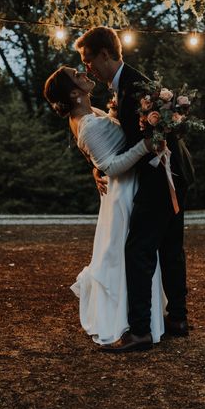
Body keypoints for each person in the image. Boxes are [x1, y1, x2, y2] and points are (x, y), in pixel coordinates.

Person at [74, 27, 195, 353]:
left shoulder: (132, 89)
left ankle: (140, 330)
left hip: (159, 179)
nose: (88, 69)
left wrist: (103, 165)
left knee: (139, 250)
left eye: (88, 61)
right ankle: (178, 318)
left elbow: (132, 144)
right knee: (170, 247)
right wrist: (98, 164)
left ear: (104, 54)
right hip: (174, 175)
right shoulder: (130, 85)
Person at [43, 66, 166, 347]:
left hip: (124, 188)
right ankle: (129, 320)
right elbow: (109, 165)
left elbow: (100, 156)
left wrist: (95, 167)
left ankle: (142, 319)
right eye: (78, 76)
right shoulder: (85, 123)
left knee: (131, 254)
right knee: (126, 256)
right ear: (75, 93)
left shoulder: (88, 114)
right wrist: (145, 146)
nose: (85, 75)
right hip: (122, 193)